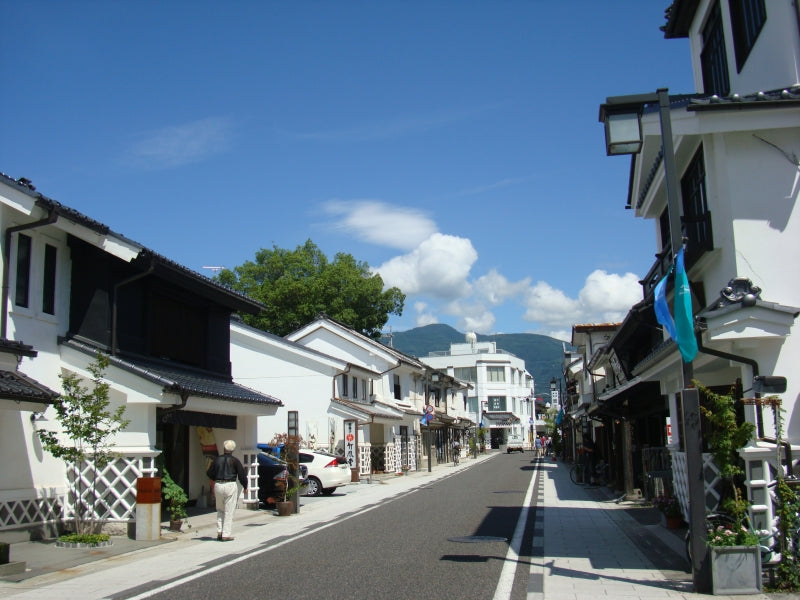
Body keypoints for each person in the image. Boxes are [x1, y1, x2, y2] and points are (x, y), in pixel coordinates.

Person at [206, 439, 247, 541]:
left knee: (220, 509)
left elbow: (209, 473)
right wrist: (245, 486)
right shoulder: (235, 461)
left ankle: (219, 531)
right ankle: (226, 534)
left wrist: (215, 479)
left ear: (224, 448)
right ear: (233, 449)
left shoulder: (216, 460)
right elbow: (242, 475)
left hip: (218, 484)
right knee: (229, 511)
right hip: (230, 484)